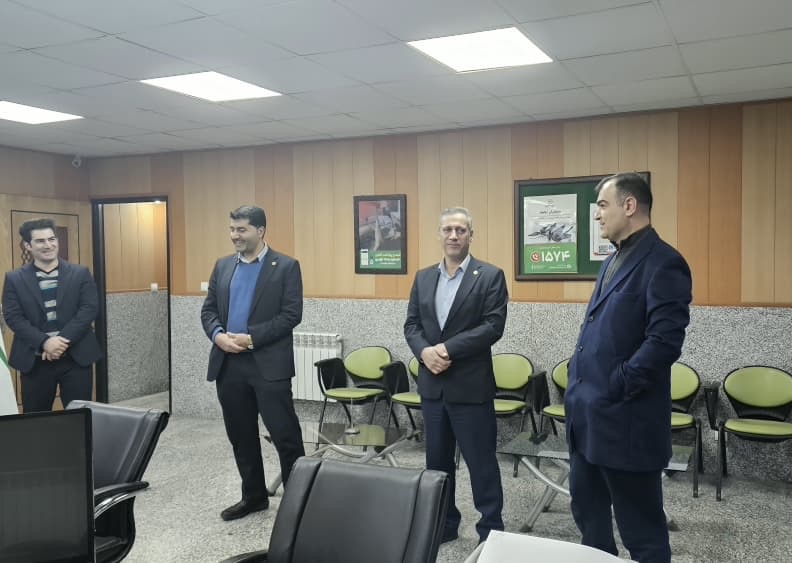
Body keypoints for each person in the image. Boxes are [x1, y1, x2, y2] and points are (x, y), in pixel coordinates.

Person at [564, 173, 692, 563]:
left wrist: (617, 385)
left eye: (603, 205)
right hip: (587, 419)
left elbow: (664, 342)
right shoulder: (612, 260)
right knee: (591, 524)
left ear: (630, 205)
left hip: (627, 423)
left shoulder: (664, 262)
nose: (597, 215)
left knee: (642, 534)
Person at [404, 206, 508, 544]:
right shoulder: (423, 277)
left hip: (471, 389)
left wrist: (446, 350)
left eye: (461, 230)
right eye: (448, 229)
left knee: (481, 464)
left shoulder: (489, 276)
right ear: (439, 234)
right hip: (433, 389)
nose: (453, 236)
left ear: (470, 236)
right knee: (437, 465)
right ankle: (445, 525)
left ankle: (491, 531)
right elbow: (412, 325)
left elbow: (492, 326)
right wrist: (424, 352)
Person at [201, 205, 305, 522]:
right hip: (229, 364)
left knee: (285, 436)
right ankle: (254, 496)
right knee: (241, 436)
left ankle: (299, 503)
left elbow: (291, 315)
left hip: (268, 365)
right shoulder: (222, 266)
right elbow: (208, 310)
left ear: (260, 231)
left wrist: (252, 338)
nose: (235, 235)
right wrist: (218, 336)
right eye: (232, 229)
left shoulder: (285, 266)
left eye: (242, 229)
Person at [2, 218, 101, 413]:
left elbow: (89, 309)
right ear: (27, 245)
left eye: (51, 239)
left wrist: (60, 341)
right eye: (40, 241)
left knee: (79, 417)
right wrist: (44, 342)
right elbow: (13, 316)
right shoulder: (14, 278)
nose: (48, 245)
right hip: (35, 361)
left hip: (76, 358)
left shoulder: (80, 273)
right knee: (36, 419)